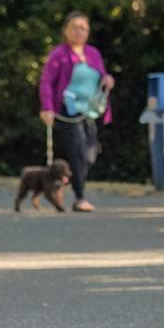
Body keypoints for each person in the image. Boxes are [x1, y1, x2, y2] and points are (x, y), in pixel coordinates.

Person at [38, 12, 115, 212]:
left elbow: (100, 76)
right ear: (66, 30)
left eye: (83, 28)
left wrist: (107, 80)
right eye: (75, 27)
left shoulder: (93, 54)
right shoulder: (59, 54)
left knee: (89, 155)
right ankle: (80, 197)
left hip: (89, 111)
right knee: (78, 152)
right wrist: (47, 107)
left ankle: (61, 181)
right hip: (67, 110)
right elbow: (46, 82)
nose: (79, 31)